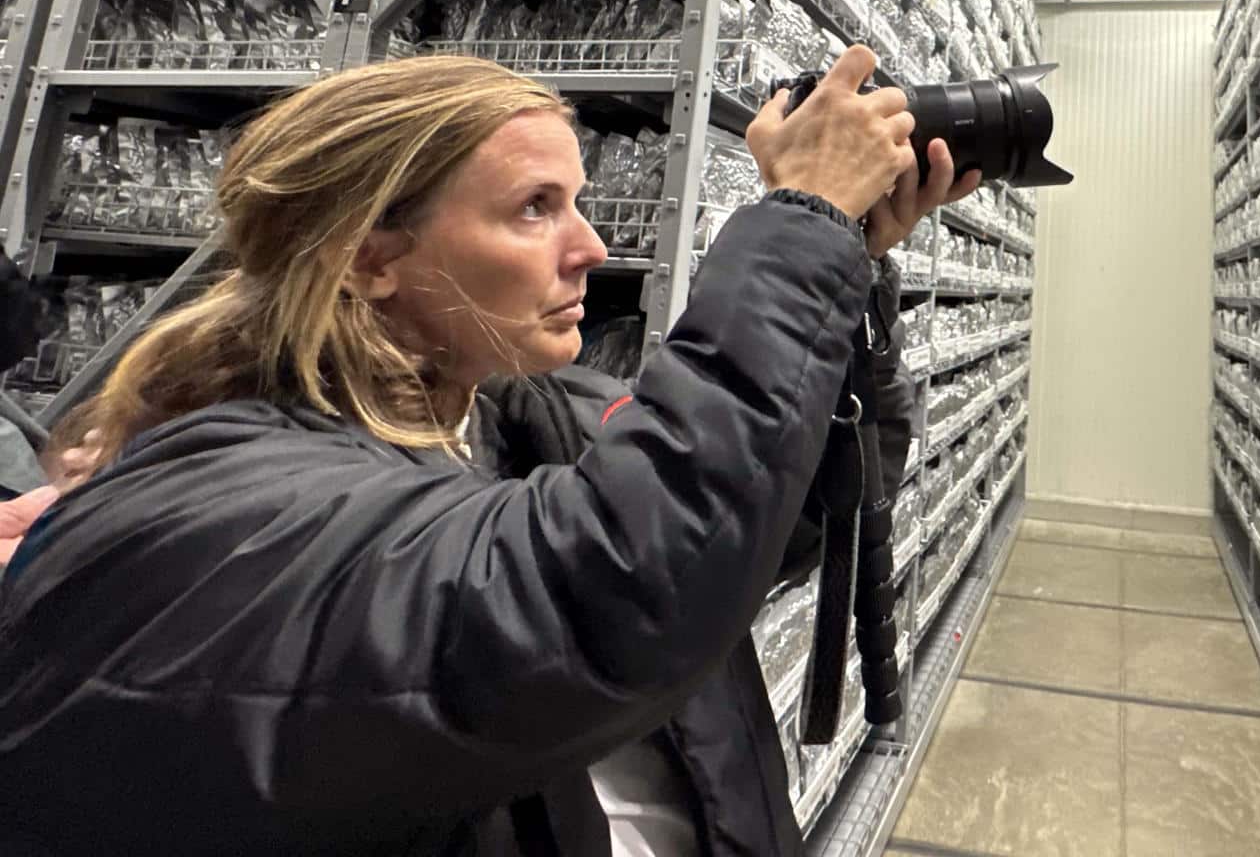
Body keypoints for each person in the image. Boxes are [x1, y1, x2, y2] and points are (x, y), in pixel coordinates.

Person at [0, 46, 978, 856]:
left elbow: (772, 522)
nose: (590, 246)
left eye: (577, 201)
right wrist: (800, 231)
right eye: (533, 208)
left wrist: (854, 269)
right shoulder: (234, 501)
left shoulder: (516, 415)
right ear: (371, 258)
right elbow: (607, 590)